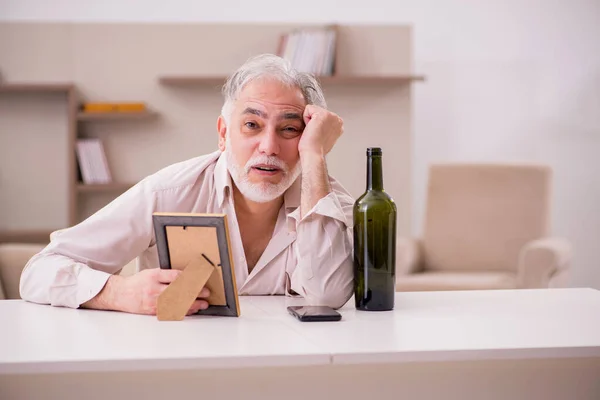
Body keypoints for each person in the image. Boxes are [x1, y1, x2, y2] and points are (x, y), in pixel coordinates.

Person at [19, 54, 355, 315]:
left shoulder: (329, 201)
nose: (268, 146)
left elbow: (325, 295)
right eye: (252, 125)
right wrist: (117, 292)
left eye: (289, 130)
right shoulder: (168, 192)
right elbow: (39, 272)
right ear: (224, 134)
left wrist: (314, 156)